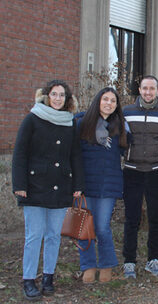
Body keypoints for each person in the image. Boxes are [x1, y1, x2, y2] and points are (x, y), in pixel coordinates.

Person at [12, 80, 84, 301]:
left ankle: (48, 277)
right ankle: (29, 279)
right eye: (54, 94)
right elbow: (20, 153)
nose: (58, 98)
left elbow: (75, 156)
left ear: (67, 99)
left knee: (53, 236)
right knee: (34, 236)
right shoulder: (32, 119)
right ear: (46, 96)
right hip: (34, 187)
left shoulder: (70, 123)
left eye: (62, 95)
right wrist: (20, 185)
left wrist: (78, 185)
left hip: (60, 187)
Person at [122, 75, 158, 278]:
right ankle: (129, 261)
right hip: (132, 171)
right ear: (139, 90)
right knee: (132, 219)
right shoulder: (126, 112)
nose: (148, 92)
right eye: (145, 88)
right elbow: (116, 137)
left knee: (156, 218)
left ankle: (153, 260)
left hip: (157, 172)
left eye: (152, 88)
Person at [76, 87, 128, 283]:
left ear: (116, 106)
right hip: (86, 183)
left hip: (109, 183)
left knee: (102, 227)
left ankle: (106, 265)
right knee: (85, 227)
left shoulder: (119, 128)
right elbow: (74, 154)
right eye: (105, 99)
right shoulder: (82, 124)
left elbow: (127, 152)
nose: (109, 103)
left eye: (113, 101)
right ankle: (88, 266)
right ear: (98, 101)